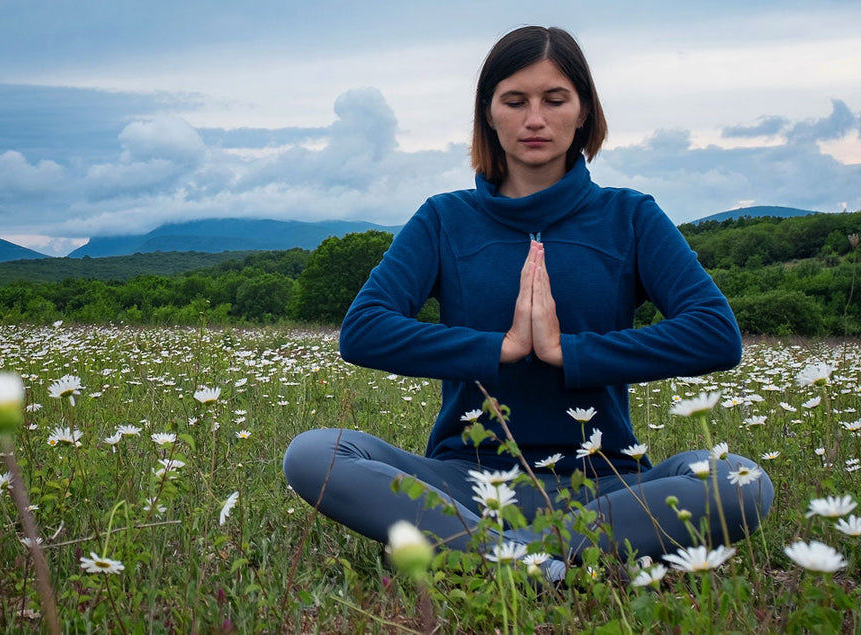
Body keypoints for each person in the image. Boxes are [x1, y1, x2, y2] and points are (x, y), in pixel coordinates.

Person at [282, 25, 773, 582]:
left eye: (554, 99)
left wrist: (570, 353)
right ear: (489, 114)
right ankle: (531, 555)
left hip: (606, 483)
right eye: (514, 101)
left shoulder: (630, 216)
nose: (534, 119)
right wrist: (504, 348)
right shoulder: (444, 218)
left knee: (743, 481)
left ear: (583, 110)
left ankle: (500, 553)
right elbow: (364, 330)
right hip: (468, 479)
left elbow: (714, 333)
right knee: (314, 454)